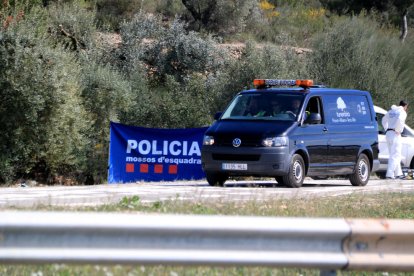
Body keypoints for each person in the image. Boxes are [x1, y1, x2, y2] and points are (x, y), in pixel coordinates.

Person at [381, 100, 409, 179]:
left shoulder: (391, 111)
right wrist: (398, 130)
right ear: (405, 106)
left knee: (394, 154)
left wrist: (387, 129)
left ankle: (398, 173)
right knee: (396, 155)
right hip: (395, 134)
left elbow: (383, 120)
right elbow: (400, 120)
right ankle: (390, 174)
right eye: (406, 107)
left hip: (388, 134)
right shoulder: (402, 112)